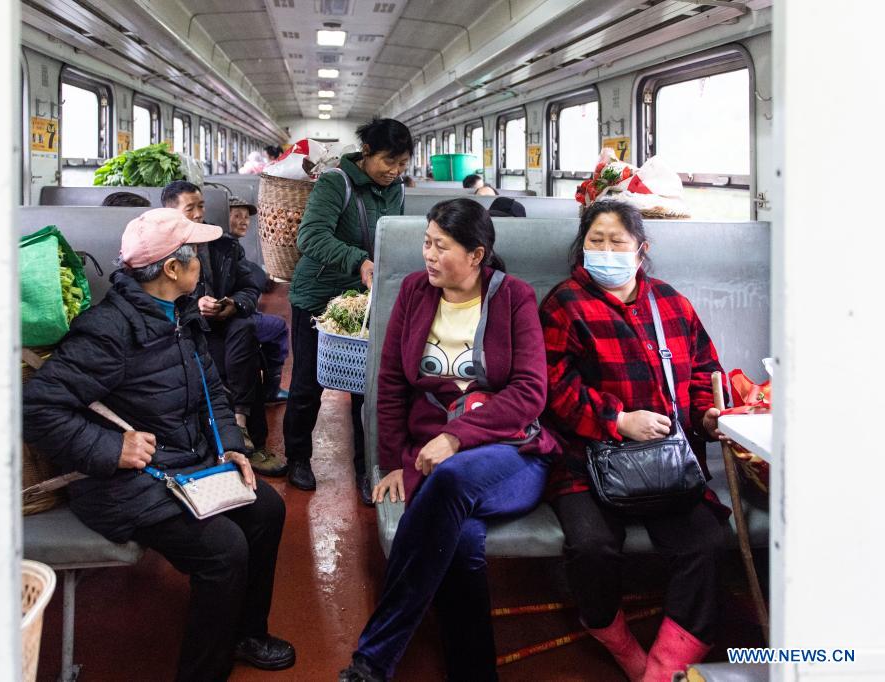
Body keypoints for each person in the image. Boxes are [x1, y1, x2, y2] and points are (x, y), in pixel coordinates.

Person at [23, 208, 295, 681]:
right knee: (223, 549)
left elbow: (210, 385)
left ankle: (246, 632)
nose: (203, 264)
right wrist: (112, 448)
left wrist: (231, 445)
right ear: (173, 268)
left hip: (183, 465)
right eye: (197, 256)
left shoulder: (180, 314)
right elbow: (36, 408)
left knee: (266, 508)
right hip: (122, 483)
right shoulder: (109, 331)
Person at [338, 199, 558, 682]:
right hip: (429, 456)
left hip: (511, 453)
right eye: (426, 243)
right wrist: (394, 459)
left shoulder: (513, 297)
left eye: (441, 246)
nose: (428, 256)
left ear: (477, 255)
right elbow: (392, 381)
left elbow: (529, 393)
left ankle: (374, 658)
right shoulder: (417, 292)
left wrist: (457, 437)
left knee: (451, 478)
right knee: (460, 540)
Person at [539, 200, 729, 682]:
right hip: (587, 460)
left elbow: (707, 372)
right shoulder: (563, 305)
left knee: (707, 543)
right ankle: (615, 636)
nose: (605, 250)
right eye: (595, 241)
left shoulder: (671, 303)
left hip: (667, 461)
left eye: (616, 242)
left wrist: (707, 414)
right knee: (592, 548)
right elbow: (551, 388)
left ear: (641, 250)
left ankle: (665, 665)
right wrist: (617, 420)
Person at [284, 118, 413, 499]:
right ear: (367, 153)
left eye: (403, 163)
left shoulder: (397, 189)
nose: (395, 171)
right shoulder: (334, 183)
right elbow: (310, 236)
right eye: (389, 161)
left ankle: (366, 467)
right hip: (318, 295)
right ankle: (297, 457)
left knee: (366, 387)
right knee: (307, 382)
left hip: (365, 299)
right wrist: (357, 259)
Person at [162, 181, 265, 458]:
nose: (198, 214)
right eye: (190, 209)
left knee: (245, 328)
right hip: (184, 326)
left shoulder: (223, 245)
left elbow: (250, 286)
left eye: (201, 207)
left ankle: (241, 420)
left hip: (222, 323)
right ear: (171, 212)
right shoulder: (162, 250)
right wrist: (194, 306)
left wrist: (233, 304)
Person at [225, 194, 290, 476]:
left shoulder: (229, 249)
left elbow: (251, 286)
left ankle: (269, 389)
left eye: (246, 215)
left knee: (254, 335)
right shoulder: (212, 247)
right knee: (271, 330)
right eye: (236, 214)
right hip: (218, 322)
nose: (243, 221)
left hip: (234, 313)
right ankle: (270, 388)